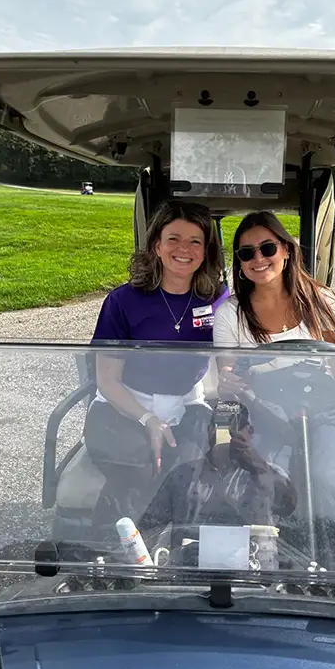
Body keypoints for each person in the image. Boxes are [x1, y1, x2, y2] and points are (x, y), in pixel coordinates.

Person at [212, 210, 335, 574]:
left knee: (324, 478)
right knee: (263, 480)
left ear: (286, 250)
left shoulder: (322, 301)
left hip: (325, 415)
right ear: (239, 264)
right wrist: (229, 383)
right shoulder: (231, 315)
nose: (258, 259)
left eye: (267, 248)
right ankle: (264, 568)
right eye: (246, 253)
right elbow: (228, 374)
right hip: (264, 418)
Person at [85, 199, 229, 526]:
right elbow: (107, 380)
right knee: (134, 466)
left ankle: (175, 553)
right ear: (157, 246)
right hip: (123, 405)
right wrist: (148, 419)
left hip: (186, 404)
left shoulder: (217, 298)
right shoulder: (123, 301)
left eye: (195, 241)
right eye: (173, 239)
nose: (184, 249)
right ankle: (110, 556)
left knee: (187, 475)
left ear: (206, 250)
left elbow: (229, 360)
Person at [138, 403, 296, 565]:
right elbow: (150, 528)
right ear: (209, 431)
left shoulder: (270, 473)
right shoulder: (182, 475)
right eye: (221, 426)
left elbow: (288, 506)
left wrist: (259, 466)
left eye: (236, 427)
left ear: (249, 432)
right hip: (187, 578)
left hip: (257, 577)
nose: (228, 433)